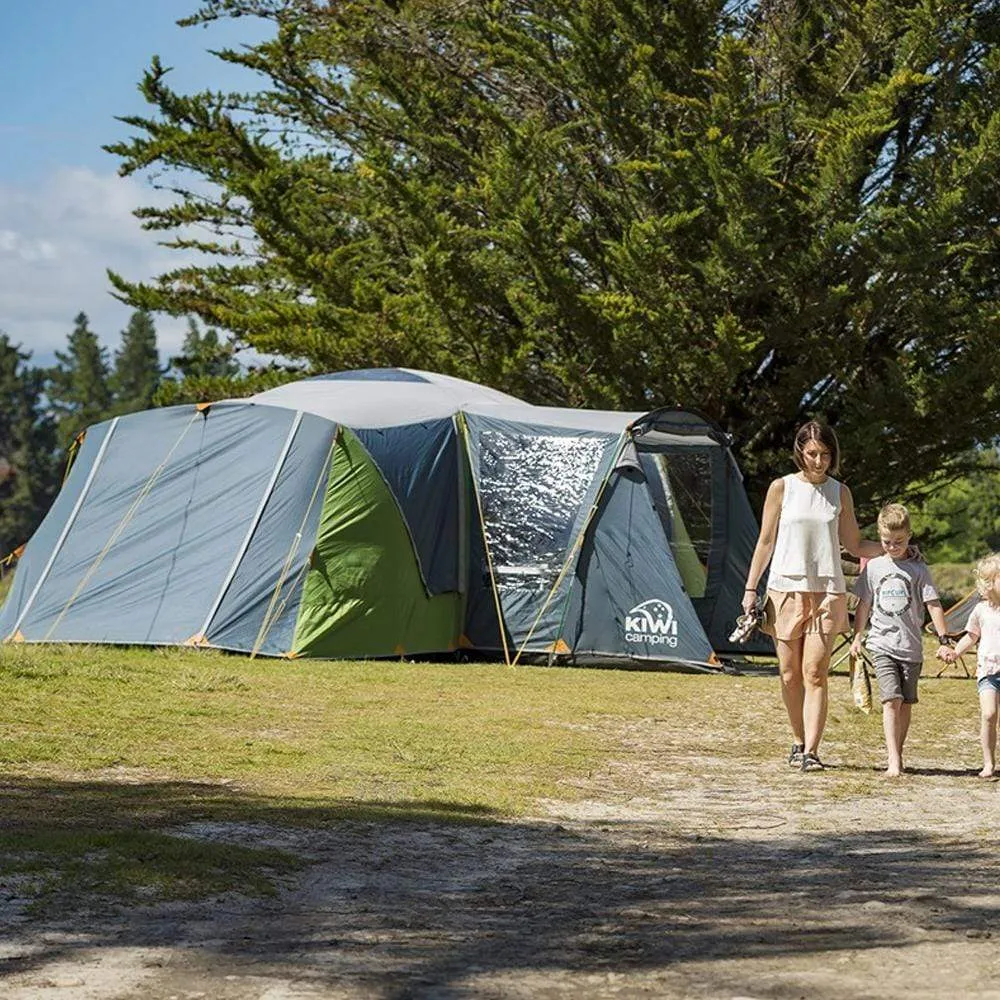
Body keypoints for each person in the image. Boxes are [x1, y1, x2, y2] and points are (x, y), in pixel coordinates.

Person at [742, 421, 885, 772]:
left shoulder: (840, 493)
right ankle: (797, 739)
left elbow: (853, 545)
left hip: (827, 591)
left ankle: (812, 751)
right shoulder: (782, 488)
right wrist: (750, 588)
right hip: (784, 587)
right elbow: (765, 542)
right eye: (812, 454)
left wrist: (895, 549)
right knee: (789, 674)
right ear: (800, 453)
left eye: (825, 455)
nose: (819, 461)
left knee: (815, 672)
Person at [849, 503, 950, 776]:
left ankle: (899, 752)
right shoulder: (873, 568)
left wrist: (943, 638)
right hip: (881, 644)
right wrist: (857, 636)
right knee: (891, 700)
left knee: (905, 703)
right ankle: (893, 759)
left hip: (911, 647)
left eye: (899, 542)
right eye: (886, 542)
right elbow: (863, 606)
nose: (892, 547)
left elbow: (933, 604)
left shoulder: (918, 569)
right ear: (880, 537)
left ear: (909, 536)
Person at [938, 553, 1000, 778]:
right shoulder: (981, 610)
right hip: (989, 671)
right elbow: (971, 636)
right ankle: (988, 763)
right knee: (989, 714)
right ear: (990, 583)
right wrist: (955, 652)